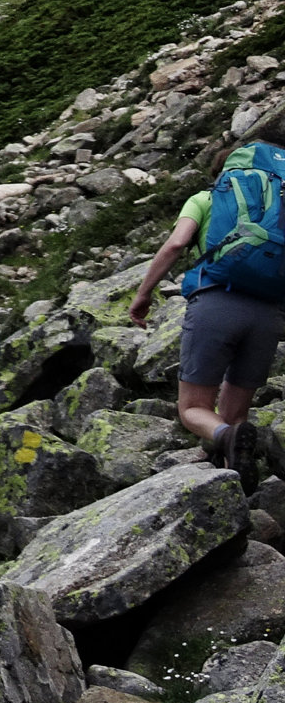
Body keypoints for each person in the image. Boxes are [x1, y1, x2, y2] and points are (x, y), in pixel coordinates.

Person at [128, 142, 285, 484]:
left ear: (222, 174)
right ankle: (231, 474)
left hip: (217, 302)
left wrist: (143, 294)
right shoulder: (279, 202)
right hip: (269, 313)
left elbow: (174, 244)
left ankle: (226, 441)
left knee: (193, 408)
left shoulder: (208, 197)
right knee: (235, 412)